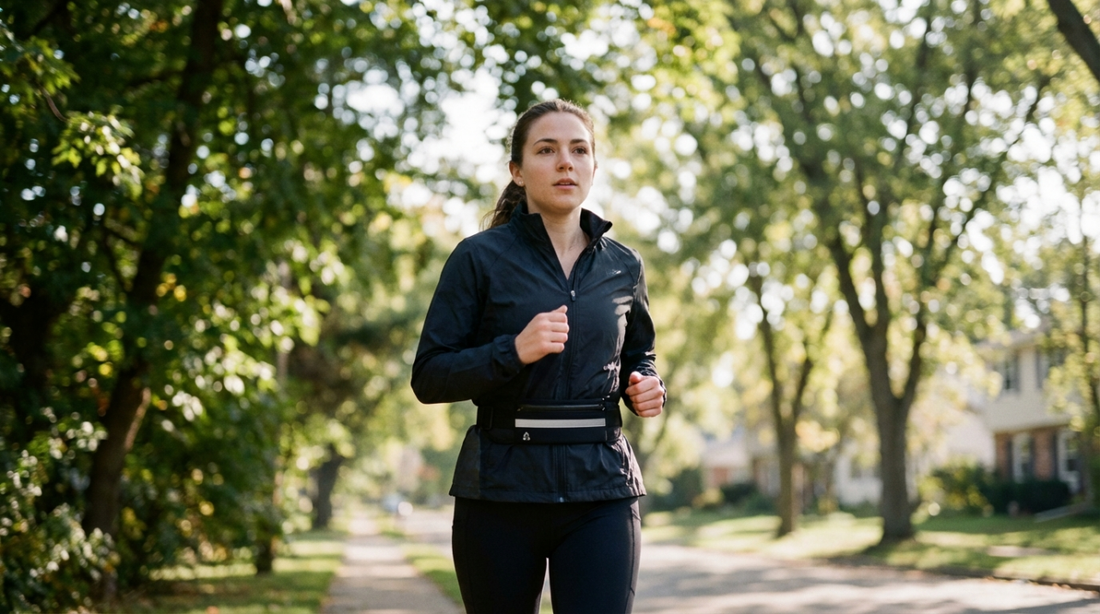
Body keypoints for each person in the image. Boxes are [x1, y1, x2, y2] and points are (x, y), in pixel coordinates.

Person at [411, 99, 665, 614]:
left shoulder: (624, 266)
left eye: (579, 150)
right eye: (546, 150)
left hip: (602, 490)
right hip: (500, 491)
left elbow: (640, 355)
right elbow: (430, 376)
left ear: (593, 166)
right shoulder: (478, 258)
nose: (565, 162)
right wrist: (512, 351)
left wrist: (646, 384)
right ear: (518, 171)